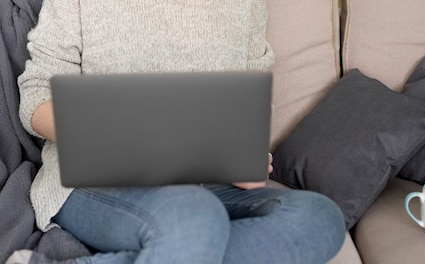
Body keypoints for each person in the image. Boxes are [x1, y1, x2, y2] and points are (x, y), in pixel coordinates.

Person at [6, 0, 346, 263]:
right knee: (194, 215)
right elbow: (35, 99)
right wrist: (111, 132)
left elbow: (253, 92)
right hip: (94, 182)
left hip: (211, 182)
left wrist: (248, 151)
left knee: (319, 218)